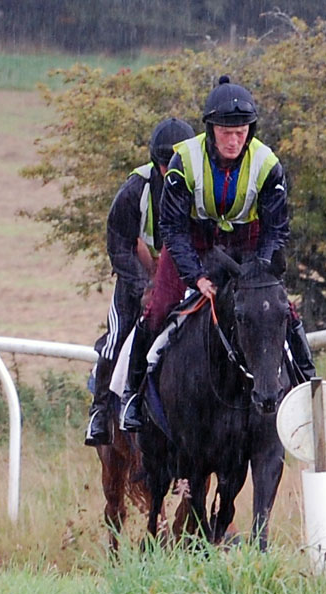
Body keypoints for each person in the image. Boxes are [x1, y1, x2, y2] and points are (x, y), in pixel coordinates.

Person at [119, 75, 316, 431]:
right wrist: (195, 275)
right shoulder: (184, 160)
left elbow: (276, 229)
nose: (234, 139)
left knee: (278, 306)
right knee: (158, 308)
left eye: (241, 131)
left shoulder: (269, 164)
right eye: (226, 131)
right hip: (193, 241)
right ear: (210, 129)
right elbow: (173, 228)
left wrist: (260, 269)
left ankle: (307, 384)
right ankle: (132, 394)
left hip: (248, 242)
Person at [84, 117, 196, 446]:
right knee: (118, 337)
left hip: (184, 273)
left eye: (175, 164)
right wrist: (142, 285)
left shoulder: (202, 185)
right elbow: (119, 244)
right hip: (140, 276)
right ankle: (101, 410)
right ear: (156, 162)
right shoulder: (136, 190)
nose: (168, 171)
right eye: (164, 165)